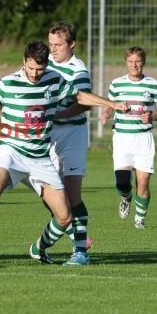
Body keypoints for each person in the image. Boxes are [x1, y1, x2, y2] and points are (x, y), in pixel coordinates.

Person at [0, 40, 129, 267]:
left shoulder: (55, 79)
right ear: (24, 62)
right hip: (11, 150)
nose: (34, 74)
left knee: (64, 217)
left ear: (46, 65)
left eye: (39, 69)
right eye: (30, 68)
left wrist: (112, 104)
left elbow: (80, 96)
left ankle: (37, 248)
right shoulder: (8, 84)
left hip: (40, 157)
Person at [100, 46, 157, 229]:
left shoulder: (153, 84)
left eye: (137, 61)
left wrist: (152, 116)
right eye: (130, 61)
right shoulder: (117, 84)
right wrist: (106, 113)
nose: (134, 65)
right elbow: (110, 104)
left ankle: (139, 220)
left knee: (143, 181)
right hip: (122, 138)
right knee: (122, 182)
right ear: (126, 62)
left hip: (143, 139)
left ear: (143, 62)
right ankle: (126, 198)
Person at [47, 21, 94, 252]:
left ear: (72, 44)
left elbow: (84, 103)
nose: (53, 49)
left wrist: (59, 115)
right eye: (51, 44)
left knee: (72, 193)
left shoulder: (79, 70)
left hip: (73, 133)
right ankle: (74, 232)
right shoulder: (43, 63)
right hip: (49, 134)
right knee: (50, 192)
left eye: (58, 45)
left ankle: (80, 251)